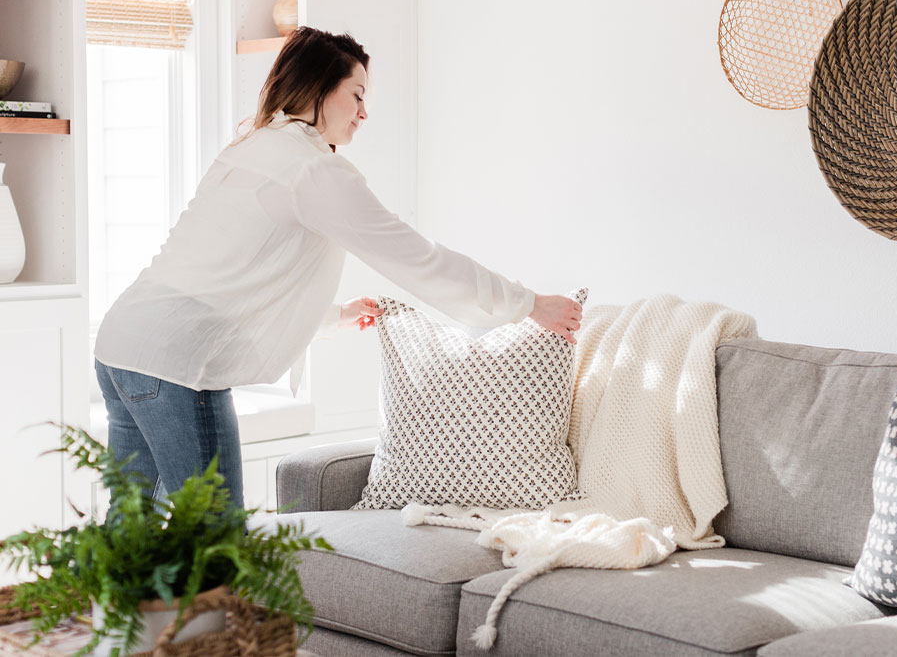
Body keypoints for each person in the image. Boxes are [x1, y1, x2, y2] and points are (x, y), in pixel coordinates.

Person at [93, 27, 582, 509]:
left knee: (130, 535)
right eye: (357, 94)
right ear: (321, 89)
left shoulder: (253, 146)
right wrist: (528, 304)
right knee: (214, 539)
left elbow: (231, 274)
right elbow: (416, 258)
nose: (365, 112)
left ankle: (97, 594)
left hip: (122, 345)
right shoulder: (311, 169)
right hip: (176, 362)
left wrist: (334, 315)